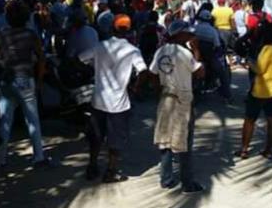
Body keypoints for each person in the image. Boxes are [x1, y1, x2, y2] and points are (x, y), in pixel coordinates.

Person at [78, 14, 148, 183]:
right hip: (119, 103)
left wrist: (92, 70)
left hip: (99, 100)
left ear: (111, 28)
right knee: (116, 140)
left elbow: (79, 59)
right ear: (129, 30)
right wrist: (135, 88)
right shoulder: (132, 50)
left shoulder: (101, 46)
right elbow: (143, 71)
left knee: (96, 137)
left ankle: (92, 166)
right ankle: (111, 171)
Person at [0, 0, 52, 168]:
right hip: (25, 78)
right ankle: (38, 156)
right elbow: (41, 58)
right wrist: (39, 80)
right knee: (32, 119)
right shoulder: (31, 34)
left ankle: (0, 159)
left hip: (6, 78)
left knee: (4, 121)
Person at [150, 20, 206, 193]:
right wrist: (196, 49)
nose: (190, 36)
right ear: (179, 35)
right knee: (184, 142)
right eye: (187, 33)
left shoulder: (161, 51)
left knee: (165, 140)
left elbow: (152, 74)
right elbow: (200, 73)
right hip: (183, 99)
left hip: (166, 97)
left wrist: (160, 88)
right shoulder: (184, 53)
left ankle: (166, 179)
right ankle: (187, 183)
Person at [238, 22, 272, 160]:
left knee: (250, 120)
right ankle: (268, 150)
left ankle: (244, 150)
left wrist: (249, 62)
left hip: (261, 89)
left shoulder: (267, 49)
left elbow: (260, 69)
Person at [194, 9, 232, 104]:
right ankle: (227, 96)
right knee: (223, 74)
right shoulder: (213, 31)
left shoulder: (194, 28)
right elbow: (218, 47)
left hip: (196, 57)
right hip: (210, 58)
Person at [211, 0, 236, 64]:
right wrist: (234, 31)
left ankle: (220, 61)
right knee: (228, 47)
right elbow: (232, 22)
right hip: (227, 30)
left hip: (217, 30)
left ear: (218, 2)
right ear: (225, 2)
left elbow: (212, 21)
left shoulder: (214, 10)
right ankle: (230, 62)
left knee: (219, 47)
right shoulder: (229, 10)